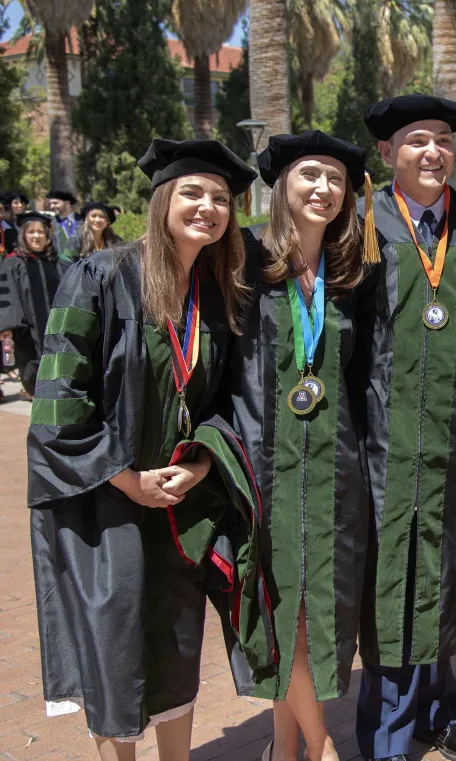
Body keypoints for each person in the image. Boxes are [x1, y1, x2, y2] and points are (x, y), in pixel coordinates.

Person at [26, 138, 260, 760]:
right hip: (105, 501)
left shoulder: (216, 294)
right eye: (192, 193)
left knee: (178, 641)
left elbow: (227, 401)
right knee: (115, 644)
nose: (207, 207)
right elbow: (59, 401)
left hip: (180, 502)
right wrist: (128, 479)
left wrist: (202, 463)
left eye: (219, 199)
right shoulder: (101, 276)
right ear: (162, 201)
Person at [215, 130, 376, 761]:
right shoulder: (244, 260)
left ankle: (284, 750)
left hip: (333, 469)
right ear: (281, 185)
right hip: (268, 467)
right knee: (287, 616)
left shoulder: (349, 274)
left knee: (309, 616)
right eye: (310, 175)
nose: (325, 189)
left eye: (336, 179)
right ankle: (324, 746)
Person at [356, 94, 456, 761]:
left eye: (443, 139)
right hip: (383, 437)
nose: (433, 151)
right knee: (394, 580)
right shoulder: (360, 223)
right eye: (416, 140)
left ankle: (441, 710)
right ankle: (385, 731)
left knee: (446, 571)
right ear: (387, 154)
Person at [0, 211, 71, 399]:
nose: (36, 236)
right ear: (23, 234)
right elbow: (9, 297)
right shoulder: (13, 263)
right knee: (33, 376)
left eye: (41, 232)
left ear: (48, 236)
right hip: (29, 336)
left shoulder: (59, 263)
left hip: (60, 333)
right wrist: (9, 328)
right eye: (31, 232)